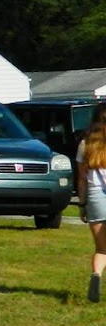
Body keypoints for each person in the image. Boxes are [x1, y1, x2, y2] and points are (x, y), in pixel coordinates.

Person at [76, 104, 106, 302]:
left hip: (95, 195)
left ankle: (96, 276)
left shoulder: (85, 144)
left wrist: (82, 204)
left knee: (102, 248)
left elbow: (81, 178)